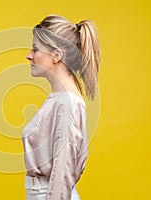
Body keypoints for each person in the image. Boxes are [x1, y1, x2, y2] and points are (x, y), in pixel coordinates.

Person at [22, 14, 100, 200]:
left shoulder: (68, 103)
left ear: (56, 55)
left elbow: (63, 170)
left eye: (35, 49)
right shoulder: (59, 100)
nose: (29, 55)